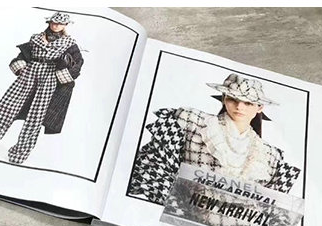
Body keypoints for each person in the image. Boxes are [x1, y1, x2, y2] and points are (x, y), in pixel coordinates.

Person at [128, 73, 301, 205]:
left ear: (260, 107)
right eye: (233, 99)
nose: (239, 107)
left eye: (248, 103)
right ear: (224, 99)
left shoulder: (270, 155)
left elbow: (269, 205)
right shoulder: (192, 121)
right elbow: (152, 163)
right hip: (181, 207)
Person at [0, 12, 84, 164]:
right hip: (28, 73)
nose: (56, 25)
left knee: (36, 117)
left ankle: (21, 152)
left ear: (65, 25)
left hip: (49, 78)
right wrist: (20, 67)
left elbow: (78, 63)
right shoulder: (36, 38)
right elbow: (23, 55)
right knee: (6, 108)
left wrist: (63, 72)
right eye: (53, 22)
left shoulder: (69, 43)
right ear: (49, 22)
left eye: (59, 23)